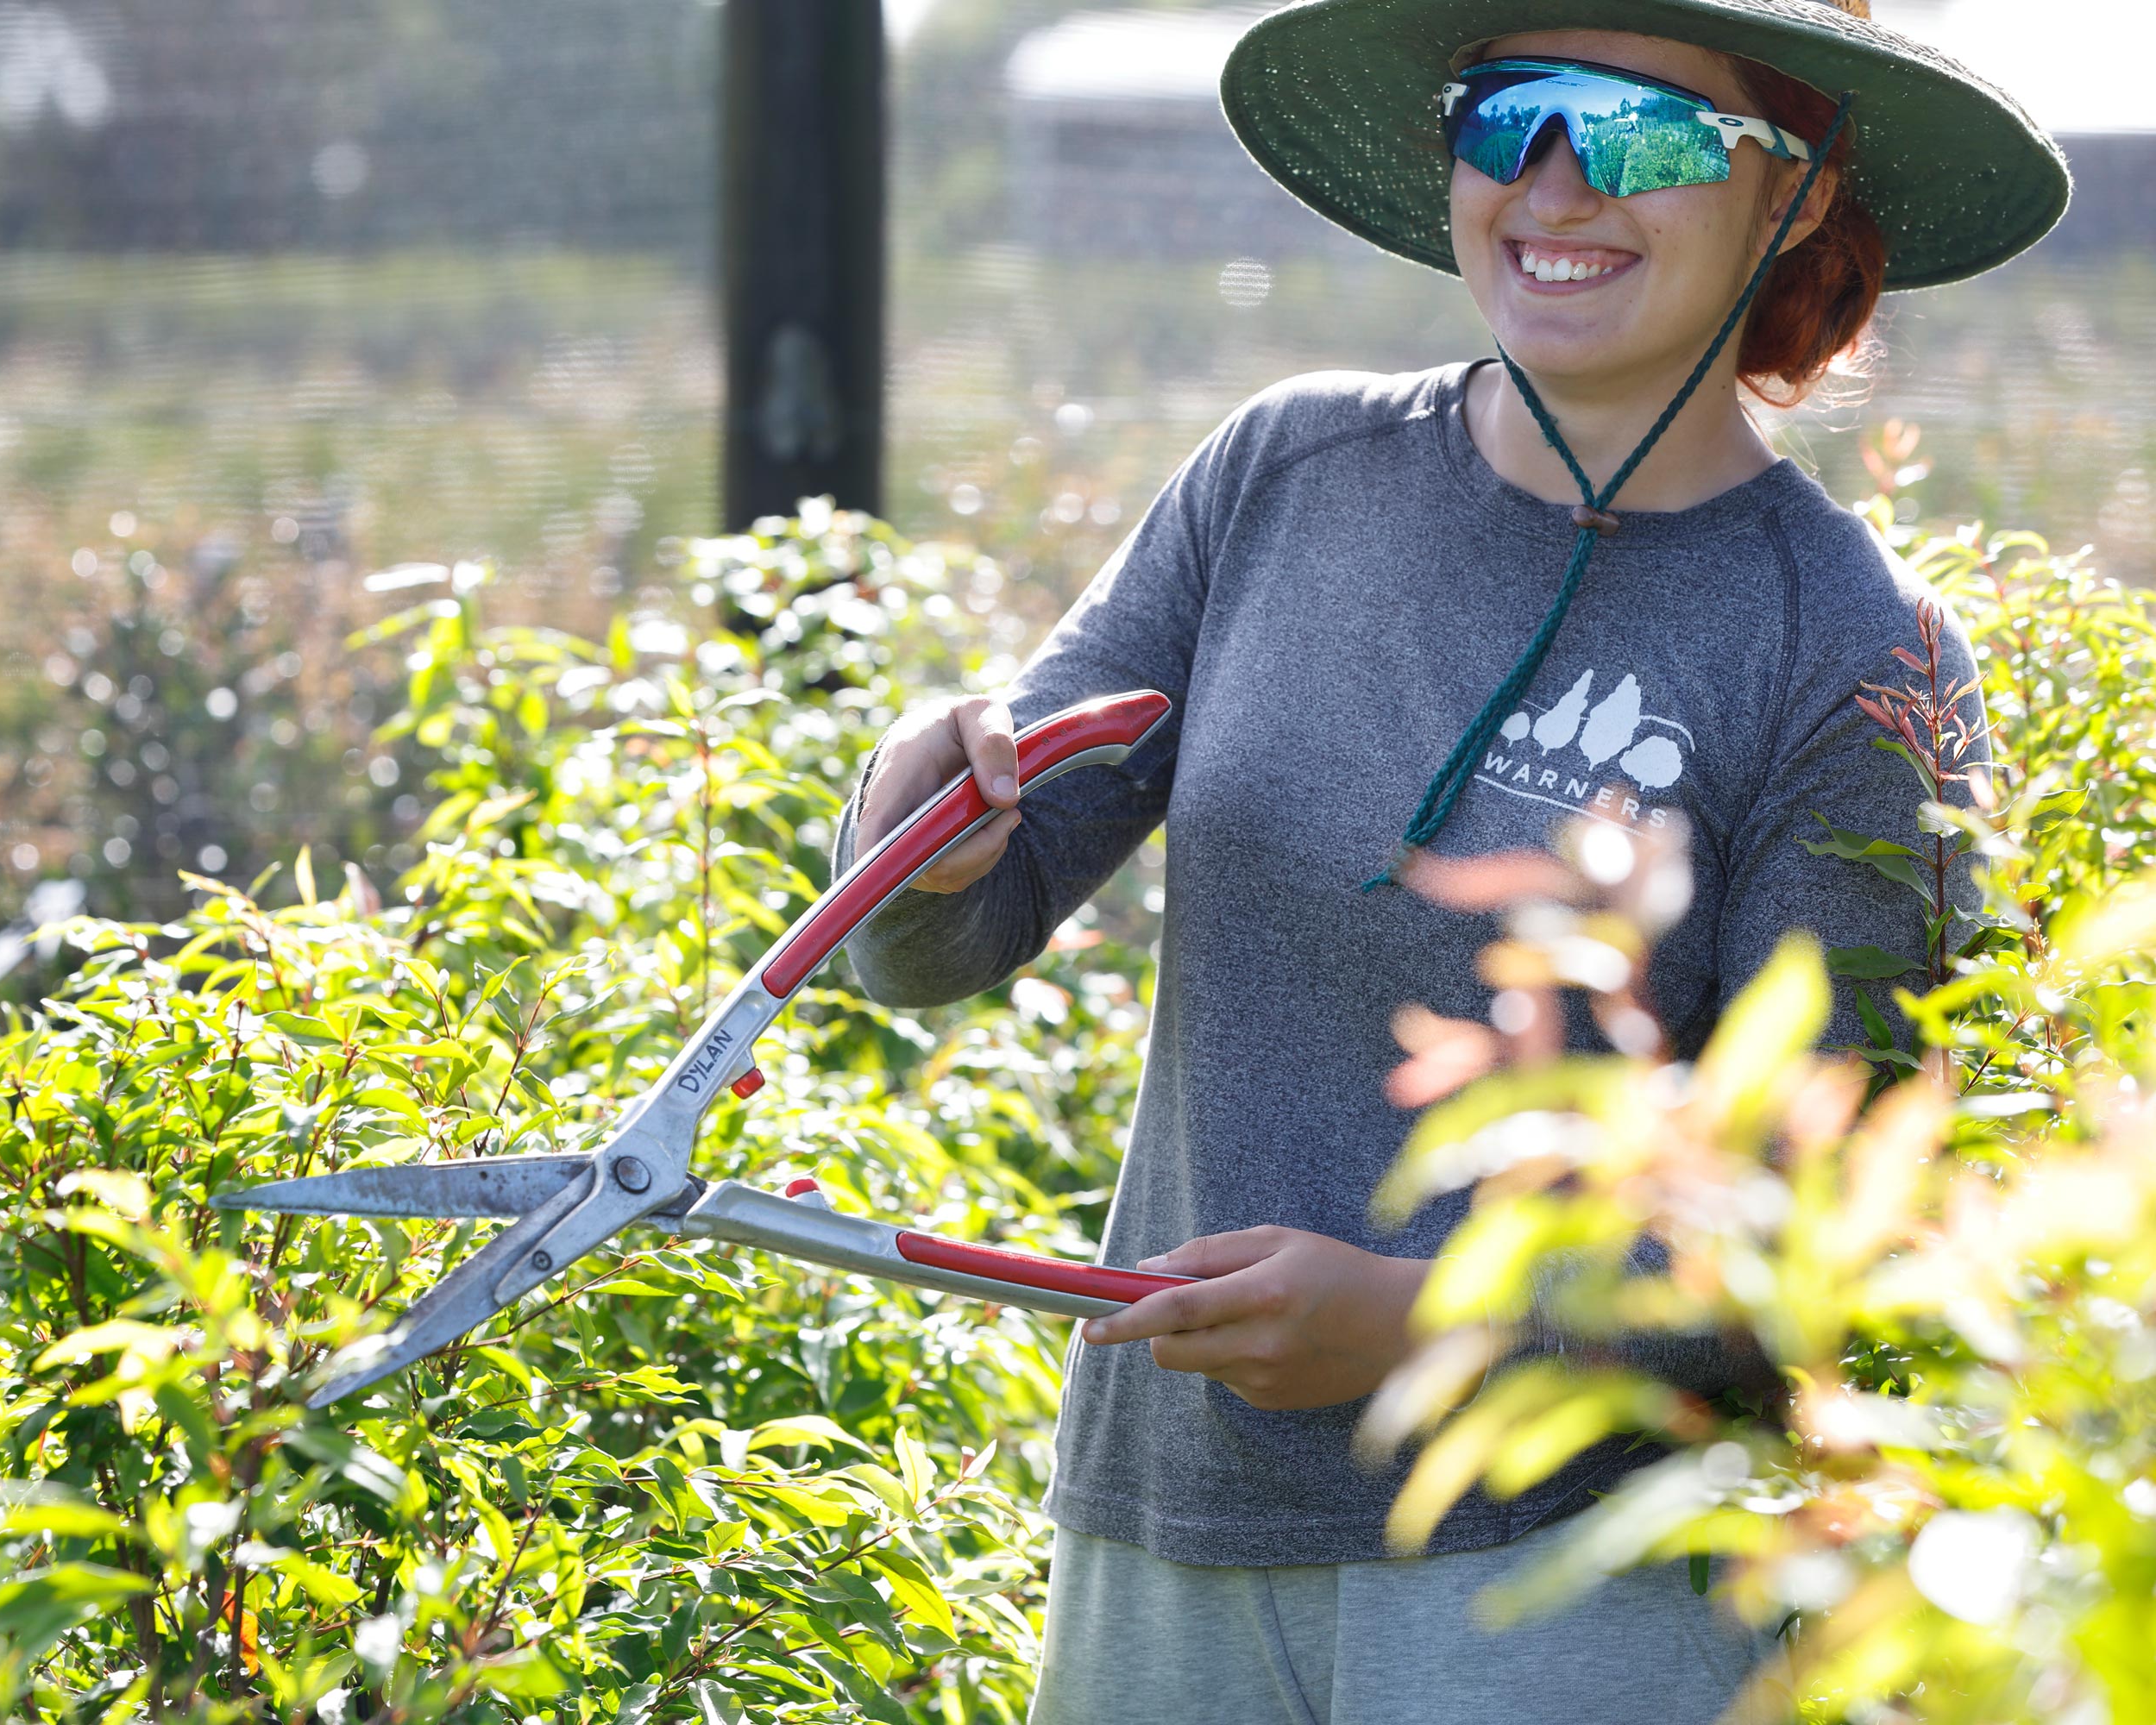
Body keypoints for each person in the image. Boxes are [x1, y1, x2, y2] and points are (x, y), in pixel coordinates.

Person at [831, 3, 2068, 1722]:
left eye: (1644, 135)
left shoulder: (1853, 655)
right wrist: (920, 826)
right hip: (1173, 1523)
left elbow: (1814, 1235)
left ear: (1793, 194)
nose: (1556, 183)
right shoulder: (1280, 475)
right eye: (1511, 117)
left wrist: (1426, 1325)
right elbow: (940, 935)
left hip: (1575, 1576)